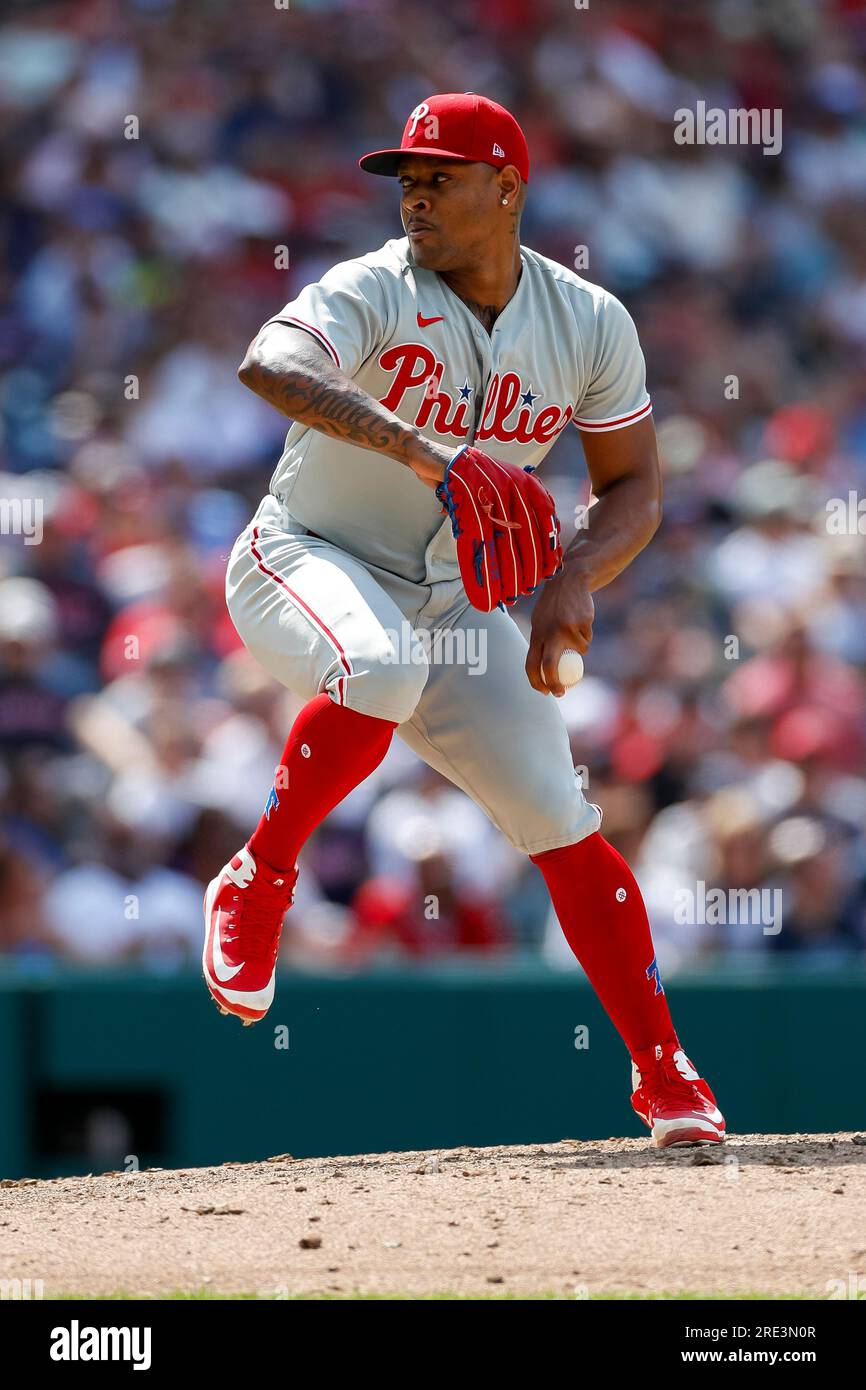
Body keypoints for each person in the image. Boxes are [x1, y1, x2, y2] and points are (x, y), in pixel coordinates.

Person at [203, 93, 724, 1148]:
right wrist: (425, 450)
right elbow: (269, 362)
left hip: (451, 602)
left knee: (559, 815)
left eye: (438, 176)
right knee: (378, 670)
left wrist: (574, 579)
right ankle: (260, 875)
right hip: (305, 554)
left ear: (507, 188)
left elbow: (632, 488)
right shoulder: (371, 288)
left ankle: (662, 1071)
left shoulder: (586, 320)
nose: (414, 195)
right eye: (405, 178)